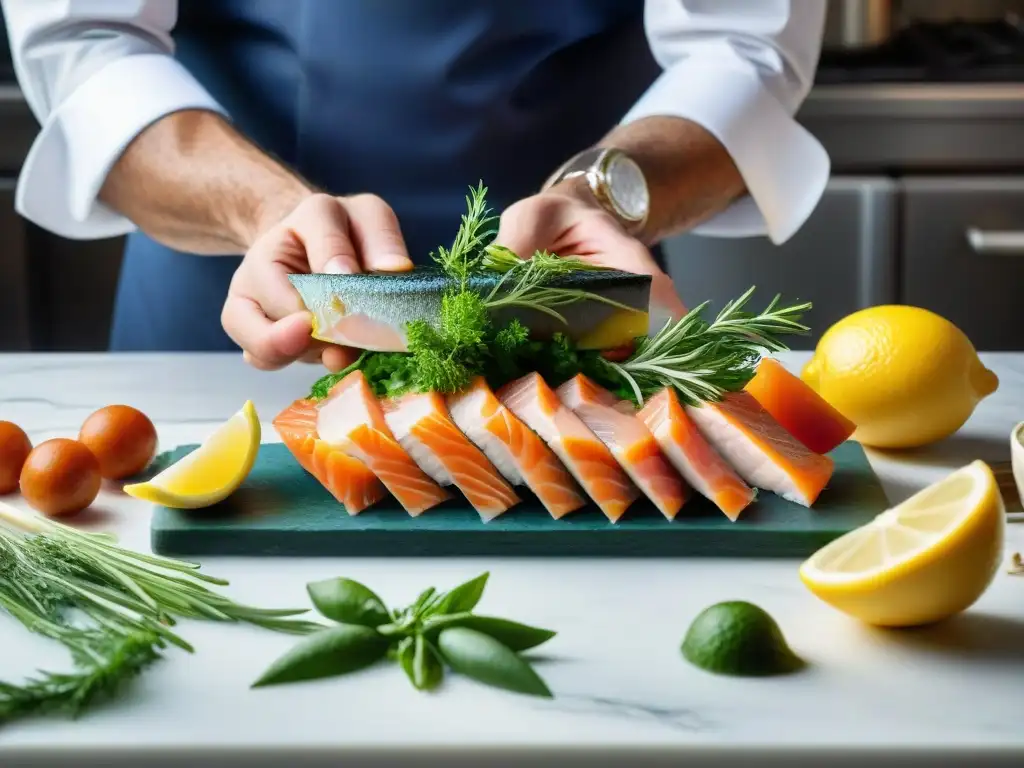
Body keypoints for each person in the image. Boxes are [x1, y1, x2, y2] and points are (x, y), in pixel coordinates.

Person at [3, 1, 828, 373]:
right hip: (239, 298)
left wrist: (597, 196)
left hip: (571, 297)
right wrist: (269, 211)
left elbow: (742, 48)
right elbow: (86, 39)